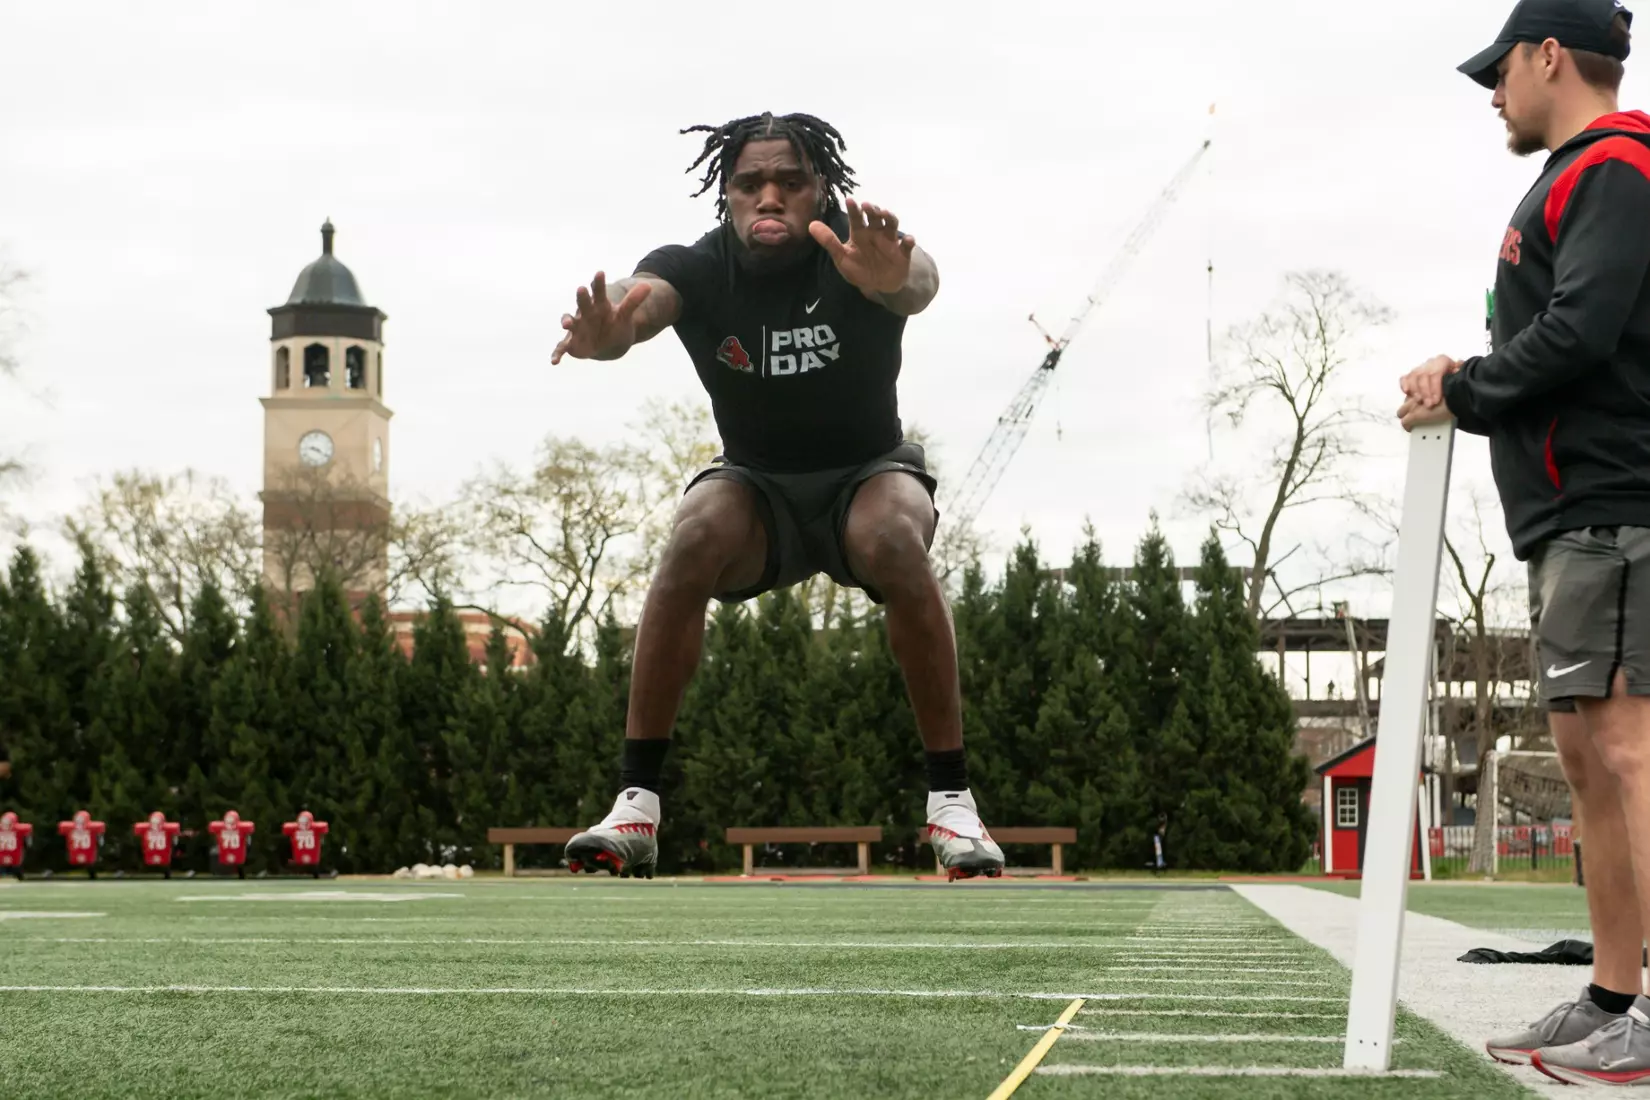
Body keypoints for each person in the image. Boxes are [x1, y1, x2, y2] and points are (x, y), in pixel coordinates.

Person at [552, 112, 1005, 882]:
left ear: (819, 189)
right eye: (751, 184)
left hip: (868, 477)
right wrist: (614, 333)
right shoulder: (698, 267)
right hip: (758, 493)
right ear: (726, 196)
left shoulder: (857, 247)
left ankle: (953, 804)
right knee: (694, 531)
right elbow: (644, 297)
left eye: (790, 183)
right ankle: (635, 804)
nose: (771, 198)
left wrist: (895, 279)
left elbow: (919, 280)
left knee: (895, 538)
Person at [1400, 0, 1650, 1083]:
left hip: (1622, 502)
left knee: (1632, 751)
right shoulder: (1569, 178)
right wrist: (1471, 376)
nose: (1491, 91)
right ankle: (1613, 994)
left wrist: (1464, 384)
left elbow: (1582, 328)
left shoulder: (1617, 166)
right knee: (1591, 758)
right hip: (1566, 517)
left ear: (1552, 55)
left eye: (1498, 70)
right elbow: (1554, 333)